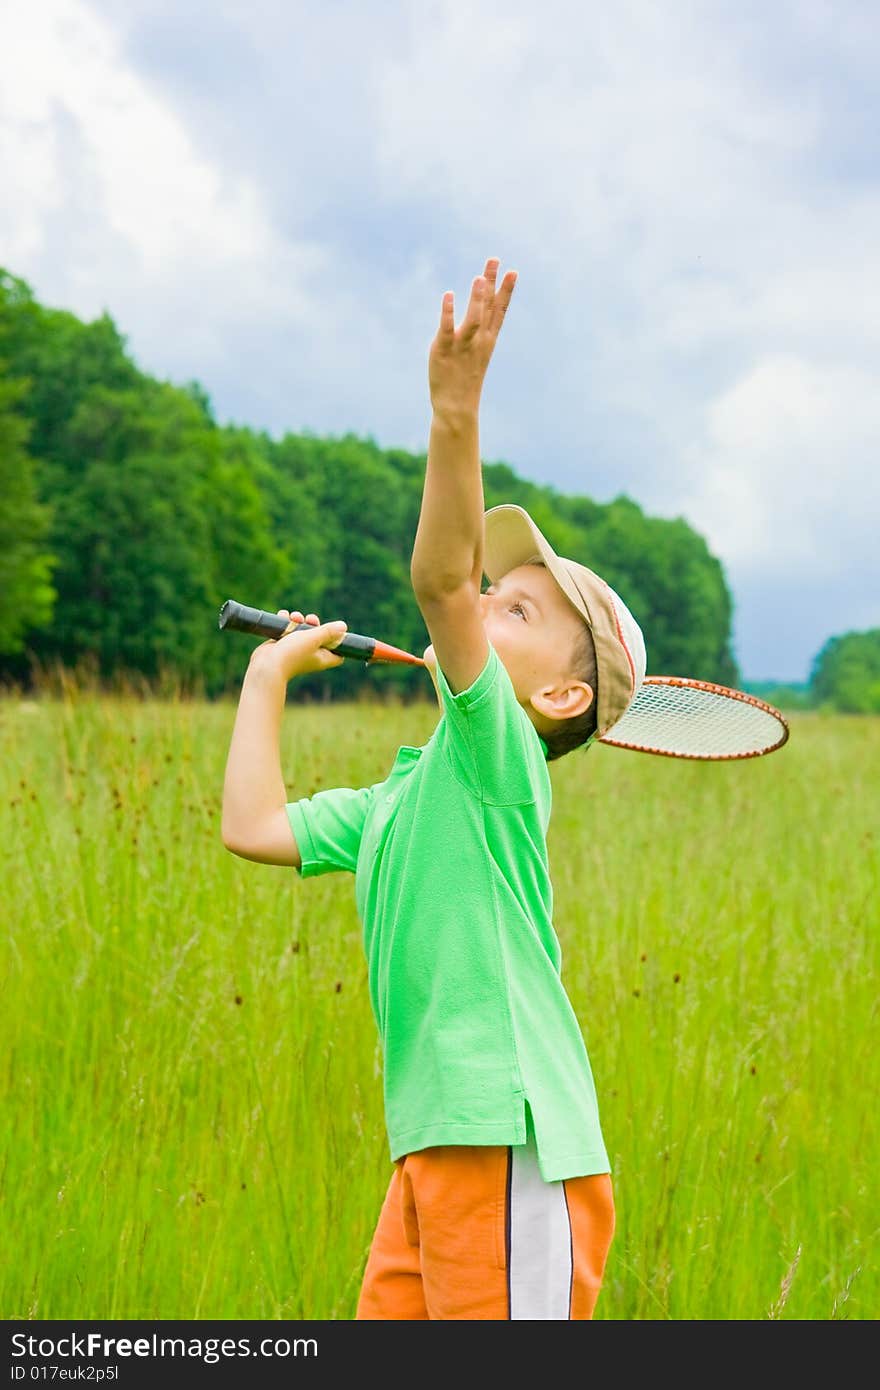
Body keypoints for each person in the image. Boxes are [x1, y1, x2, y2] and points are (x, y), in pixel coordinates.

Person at [221, 257, 647, 1320]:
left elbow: (439, 578)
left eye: (515, 612)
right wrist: (266, 675)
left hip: (510, 1136)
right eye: (495, 592)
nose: (482, 602)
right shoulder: (400, 800)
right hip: (433, 1147)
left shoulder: (495, 763)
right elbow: (254, 825)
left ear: (553, 695)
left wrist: (453, 414)